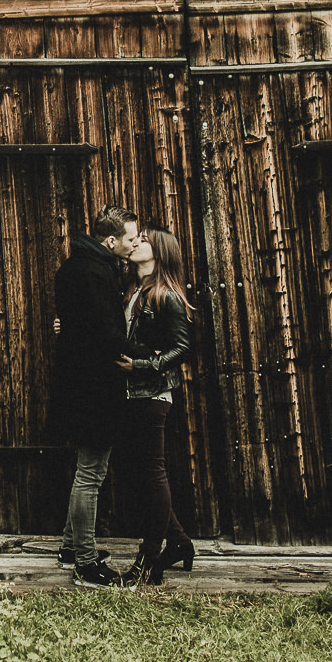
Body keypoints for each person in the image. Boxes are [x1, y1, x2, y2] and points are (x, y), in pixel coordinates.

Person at [51, 206, 138, 589]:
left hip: (77, 382)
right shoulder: (95, 272)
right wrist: (141, 354)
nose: (136, 244)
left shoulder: (76, 267)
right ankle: (85, 564)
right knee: (91, 473)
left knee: (88, 470)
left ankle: (72, 546)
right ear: (111, 241)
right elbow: (107, 332)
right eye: (131, 238)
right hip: (94, 386)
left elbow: (74, 324)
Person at [114, 226, 196, 584]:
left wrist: (142, 366)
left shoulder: (167, 296)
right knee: (143, 474)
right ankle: (177, 542)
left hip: (153, 394)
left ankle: (148, 561)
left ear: (159, 252)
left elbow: (183, 348)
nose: (136, 243)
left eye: (144, 239)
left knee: (153, 472)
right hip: (132, 394)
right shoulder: (131, 289)